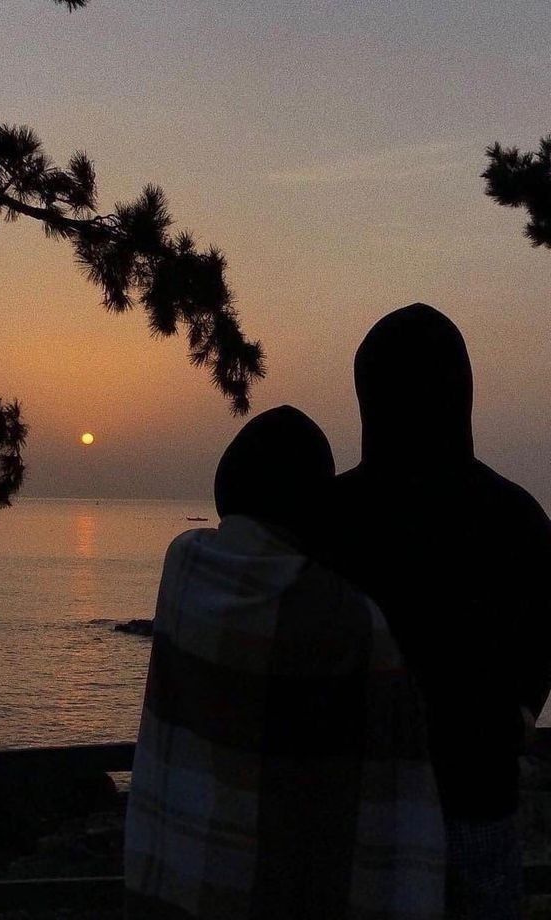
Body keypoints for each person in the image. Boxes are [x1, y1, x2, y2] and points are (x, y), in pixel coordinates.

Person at [125, 405, 444, 920]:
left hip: (179, 887)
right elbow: (398, 794)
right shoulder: (351, 623)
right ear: (315, 509)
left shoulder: (183, 567)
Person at [327, 303, 551, 919]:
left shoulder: (328, 516)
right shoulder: (515, 515)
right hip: (477, 792)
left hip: (351, 806)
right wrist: (522, 709)